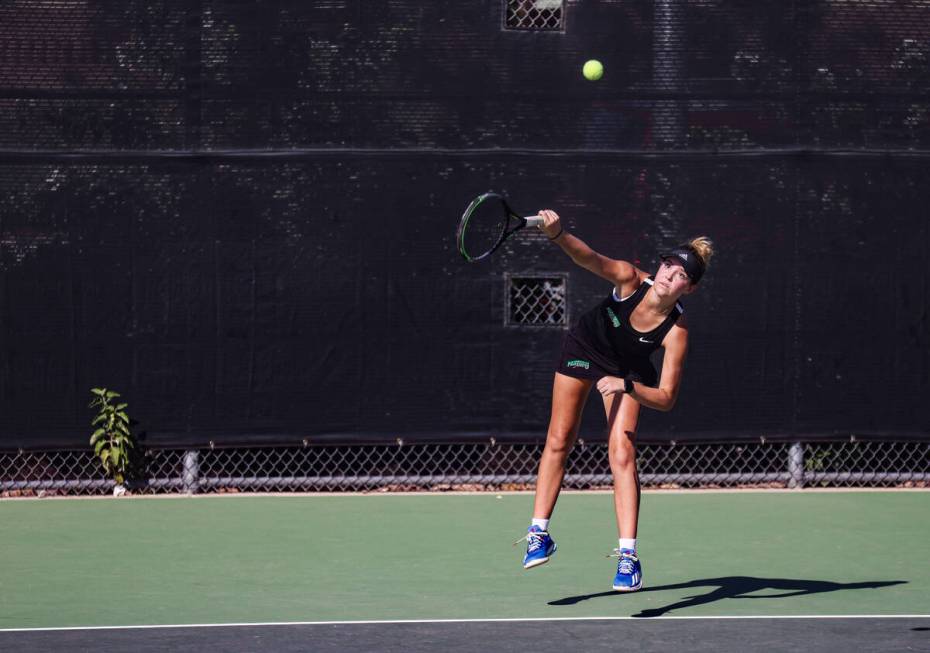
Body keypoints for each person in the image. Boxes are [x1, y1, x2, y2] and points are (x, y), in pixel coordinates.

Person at [516, 209, 714, 592]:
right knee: (559, 438)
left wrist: (626, 385)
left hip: (628, 371)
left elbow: (667, 398)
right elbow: (587, 257)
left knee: (622, 451)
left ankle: (628, 557)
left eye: (680, 276)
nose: (669, 277)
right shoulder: (628, 278)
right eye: (668, 266)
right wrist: (558, 235)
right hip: (585, 347)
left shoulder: (677, 332)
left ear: (688, 289)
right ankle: (539, 533)